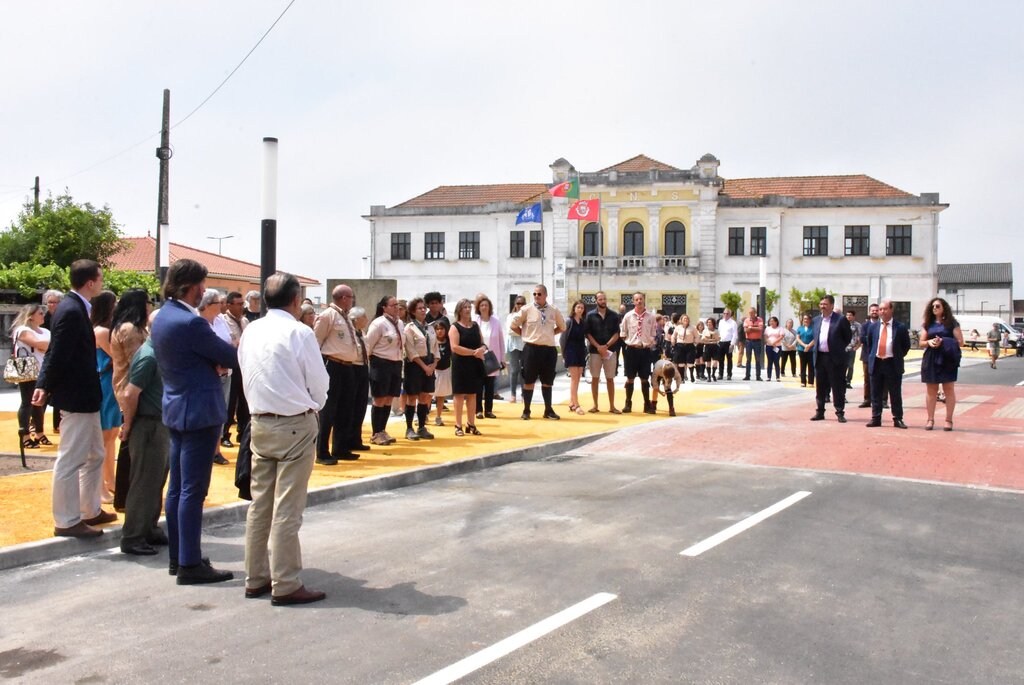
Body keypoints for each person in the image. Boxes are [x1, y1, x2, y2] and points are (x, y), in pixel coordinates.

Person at [239, 273, 329, 606]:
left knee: (260, 504)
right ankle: (286, 582)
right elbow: (319, 382)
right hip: (293, 422)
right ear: (295, 300)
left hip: (260, 421)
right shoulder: (299, 332)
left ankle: (256, 577)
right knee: (287, 508)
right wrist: (313, 406)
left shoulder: (252, 329)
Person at [151, 259, 239, 584]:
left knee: (177, 489)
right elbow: (230, 356)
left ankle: (180, 557)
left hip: (177, 406)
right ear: (191, 286)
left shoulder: (163, 316)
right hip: (199, 410)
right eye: (202, 284)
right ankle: (189, 564)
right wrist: (216, 361)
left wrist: (209, 362)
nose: (205, 290)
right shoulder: (192, 323)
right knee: (193, 490)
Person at [33, 259, 116, 538]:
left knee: (95, 454)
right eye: (100, 278)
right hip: (76, 396)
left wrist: (45, 384)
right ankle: (67, 521)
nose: (102, 282)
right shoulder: (71, 310)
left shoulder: (76, 307)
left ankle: (89, 510)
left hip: (86, 395)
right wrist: (45, 385)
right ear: (90, 282)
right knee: (70, 459)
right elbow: (58, 352)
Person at [118, 336, 170, 556]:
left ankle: (148, 528)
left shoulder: (154, 353)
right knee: (144, 483)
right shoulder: (148, 356)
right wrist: (128, 424)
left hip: (158, 424)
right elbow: (130, 393)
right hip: (148, 425)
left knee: (155, 480)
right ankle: (133, 536)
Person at [109, 288, 153, 505]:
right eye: (148, 302)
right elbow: (138, 361)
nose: (150, 306)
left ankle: (126, 494)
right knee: (130, 443)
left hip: (133, 388)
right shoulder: (129, 330)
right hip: (132, 389)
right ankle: (125, 495)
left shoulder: (133, 328)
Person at [313, 285, 363, 464]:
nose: (352, 300)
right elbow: (316, 341)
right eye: (351, 297)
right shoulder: (328, 315)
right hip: (332, 365)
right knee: (329, 409)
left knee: (346, 408)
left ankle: (341, 448)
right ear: (343, 298)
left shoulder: (345, 316)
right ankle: (322, 452)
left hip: (348, 366)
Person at [510, 284, 566, 420]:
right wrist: (525, 334)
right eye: (534, 294)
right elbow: (513, 325)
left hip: (548, 350)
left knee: (547, 381)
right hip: (531, 349)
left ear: (545, 295)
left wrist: (550, 334)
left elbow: (562, 327)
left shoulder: (553, 310)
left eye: (539, 294)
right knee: (529, 380)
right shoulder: (526, 309)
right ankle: (526, 410)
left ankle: (548, 410)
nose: (536, 296)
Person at [92, 290, 122, 504]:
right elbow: (118, 356)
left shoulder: (107, 330)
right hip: (104, 383)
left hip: (111, 383)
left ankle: (110, 480)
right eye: (114, 303)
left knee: (111, 435)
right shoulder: (101, 332)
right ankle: (100, 486)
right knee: (104, 438)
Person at [864, 299, 911, 429]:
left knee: (895, 393)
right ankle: (876, 418)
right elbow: (870, 344)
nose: (882, 312)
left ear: (891, 310)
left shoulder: (900, 327)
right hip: (877, 362)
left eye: (885, 309)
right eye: (880, 309)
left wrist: (897, 356)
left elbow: (906, 346)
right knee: (875, 393)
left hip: (892, 363)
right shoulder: (873, 327)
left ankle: (897, 418)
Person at [198, 291, 232, 466]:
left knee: (221, 413)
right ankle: (206, 450)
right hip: (209, 375)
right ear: (208, 305)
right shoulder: (198, 322)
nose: (222, 305)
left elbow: (229, 342)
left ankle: (216, 451)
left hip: (225, 374)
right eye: (219, 302)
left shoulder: (220, 321)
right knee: (207, 414)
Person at [365, 295, 403, 445]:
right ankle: (375, 433)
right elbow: (368, 346)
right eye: (393, 305)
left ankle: (382, 430)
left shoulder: (400, 323)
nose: (397, 308)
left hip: (396, 363)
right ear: (384, 307)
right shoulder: (378, 323)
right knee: (380, 398)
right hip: (381, 363)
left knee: (389, 398)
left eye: (398, 305)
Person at [920, 297, 963, 431]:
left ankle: (948, 420)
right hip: (931, 357)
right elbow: (921, 342)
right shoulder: (928, 324)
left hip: (947, 358)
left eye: (937, 306)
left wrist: (943, 341)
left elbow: (960, 341)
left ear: (944, 308)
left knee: (948, 389)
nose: (934, 308)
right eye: (933, 306)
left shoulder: (952, 323)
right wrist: (929, 342)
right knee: (931, 389)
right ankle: (930, 419)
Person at [10, 304, 50, 449]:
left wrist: (45, 345)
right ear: (31, 316)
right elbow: (38, 344)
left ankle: (39, 432)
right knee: (27, 402)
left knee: (39, 403)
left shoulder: (45, 331)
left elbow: (45, 346)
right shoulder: (22, 330)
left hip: (42, 370)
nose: (43, 315)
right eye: (40, 313)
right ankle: (25, 435)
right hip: (28, 369)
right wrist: (46, 345)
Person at [810, 295, 853, 423]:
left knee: (837, 386)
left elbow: (847, 337)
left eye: (825, 304)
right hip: (820, 357)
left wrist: (838, 349)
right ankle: (820, 411)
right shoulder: (816, 320)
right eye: (821, 304)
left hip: (835, 358)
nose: (822, 306)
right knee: (820, 387)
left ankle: (839, 412)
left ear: (832, 305)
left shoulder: (840, 319)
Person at [403, 297, 438, 440]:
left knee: (424, 396)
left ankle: (422, 426)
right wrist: (424, 366)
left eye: (424, 308)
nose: (423, 310)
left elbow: (436, 348)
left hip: (429, 363)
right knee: (412, 397)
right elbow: (410, 350)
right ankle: (409, 428)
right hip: (415, 365)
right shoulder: (409, 328)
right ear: (413, 311)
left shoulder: (430, 327)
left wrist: (434, 364)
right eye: (419, 308)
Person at [449, 298, 485, 436]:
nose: (468, 309)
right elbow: (455, 347)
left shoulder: (475, 326)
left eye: (469, 307)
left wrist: (482, 349)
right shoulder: (455, 327)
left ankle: (471, 423)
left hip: (474, 364)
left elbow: (482, 343)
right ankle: (458, 425)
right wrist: (473, 352)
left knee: (472, 394)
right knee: (459, 394)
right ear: (459, 310)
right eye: (465, 307)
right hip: (460, 364)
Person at [620, 292, 658, 413]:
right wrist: (630, 342)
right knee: (630, 378)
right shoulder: (628, 316)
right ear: (633, 301)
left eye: (641, 299)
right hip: (631, 350)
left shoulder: (651, 317)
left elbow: (653, 333)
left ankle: (647, 404)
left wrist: (649, 342)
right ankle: (628, 404)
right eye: (636, 299)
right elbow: (623, 333)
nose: (639, 301)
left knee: (644, 378)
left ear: (644, 300)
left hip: (645, 351)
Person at [220, 291, 249, 448]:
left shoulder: (244, 321)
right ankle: (225, 434)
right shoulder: (223, 321)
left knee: (244, 401)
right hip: (232, 365)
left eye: (242, 304)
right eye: (238, 304)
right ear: (229, 305)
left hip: (244, 365)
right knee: (230, 402)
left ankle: (243, 433)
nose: (241, 307)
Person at [584, 291, 620, 413]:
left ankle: (612, 406)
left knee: (610, 378)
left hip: (610, 351)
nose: (603, 301)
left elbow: (617, 333)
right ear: (596, 301)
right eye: (600, 299)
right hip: (595, 352)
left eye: (604, 299)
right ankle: (595, 405)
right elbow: (588, 333)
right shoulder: (590, 316)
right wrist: (598, 346)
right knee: (595, 378)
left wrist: (606, 346)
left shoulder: (614, 315)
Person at [473, 295, 505, 419]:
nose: (484, 307)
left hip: (492, 357)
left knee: (490, 386)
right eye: (482, 305)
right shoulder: (475, 322)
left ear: (490, 307)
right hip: (478, 357)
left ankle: (488, 410)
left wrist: (502, 359)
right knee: (478, 385)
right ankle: (478, 410)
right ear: (478, 307)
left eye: (486, 305)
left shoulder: (496, 322)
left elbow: (501, 341)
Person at [560, 300, 588, 415]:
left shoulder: (583, 322)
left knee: (578, 378)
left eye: (582, 308)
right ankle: (576, 405)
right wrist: (563, 354)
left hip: (580, 351)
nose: (580, 309)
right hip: (570, 351)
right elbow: (562, 339)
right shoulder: (569, 321)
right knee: (574, 378)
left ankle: (572, 402)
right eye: (578, 307)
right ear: (574, 308)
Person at [349, 306, 371, 451]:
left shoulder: (362, 333)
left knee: (361, 406)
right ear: (356, 319)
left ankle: (356, 438)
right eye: (364, 317)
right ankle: (348, 439)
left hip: (363, 368)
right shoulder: (350, 333)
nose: (366, 320)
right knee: (351, 406)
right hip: (353, 368)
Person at [857, 304, 880, 408]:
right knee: (867, 379)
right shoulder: (865, 325)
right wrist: (874, 340)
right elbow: (862, 338)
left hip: (880, 355)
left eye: (876, 310)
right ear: (869, 312)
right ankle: (867, 399)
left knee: (882, 379)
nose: (874, 312)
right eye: (872, 310)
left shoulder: (882, 324)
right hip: (867, 355)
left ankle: (883, 400)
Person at [505, 296, 526, 403]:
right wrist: (523, 331)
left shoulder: (527, 316)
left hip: (525, 346)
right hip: (513, 346)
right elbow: (510, 331)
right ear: (515, 304)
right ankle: (513, 395)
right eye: (518, 303)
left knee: (524, 371)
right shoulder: (511, 316)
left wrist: (518, 330)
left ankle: (524, 395)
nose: (520, 305)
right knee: (514, 371)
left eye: (522, 303)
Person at [432, 320, 452, 426]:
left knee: (441, 396)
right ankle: (424, 415)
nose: (440, 331)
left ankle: (438, 417)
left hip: (445, 371)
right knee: (428, 395)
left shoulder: (449, 342)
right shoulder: (432, 341)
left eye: (442, 329)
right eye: (437, 329)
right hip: (433, 371)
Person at [672, 314, 697, 383]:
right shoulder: (678, 328)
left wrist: (695, 342)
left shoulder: (693, 328)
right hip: (680, 346)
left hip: (690, 346)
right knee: (681, 363)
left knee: (690, 363)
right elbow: (673, 336)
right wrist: (673, 340)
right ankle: (682, 378)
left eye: (687, 319)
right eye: (684, 319)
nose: (686, 320)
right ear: (681, 320)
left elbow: (697, 336)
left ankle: (691, 375)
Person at [742, 307, 764, 381]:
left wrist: (750, 328)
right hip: (749, 341)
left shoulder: (760, 319)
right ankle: (747, 375)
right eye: (750, 313)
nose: (751, 314)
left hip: (757, 341)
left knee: (758, 359)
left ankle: (758, 376)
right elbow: (745, 330)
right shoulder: (746, 320)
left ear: (755, 313)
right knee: (748, 359)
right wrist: (755, 328)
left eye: (752, 312)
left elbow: (760, 329)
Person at [717, 308, 737, 380]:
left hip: (729, 343)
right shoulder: (721, 322)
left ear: (730, 314)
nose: (725, 315)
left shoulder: (733, 323)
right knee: (720, 359)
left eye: (727, 313)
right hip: (721, 342)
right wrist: (718, 341)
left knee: (729, 359)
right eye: (724, 313)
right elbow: (719, 331)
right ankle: (720, 374)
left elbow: (735, 334)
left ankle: (729, 374)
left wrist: (732, 344)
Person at [844, 311, 862, 389]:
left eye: (850, 315)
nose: (848, 317)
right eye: (847, 315)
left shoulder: (857, 325)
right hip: (843, 348)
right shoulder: (843, 324)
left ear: (854, 316)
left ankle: (848, 381)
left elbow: (860, 336)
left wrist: (857, 346)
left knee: (850, 365)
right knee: (843, 365)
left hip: (852, 347)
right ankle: (843, 380)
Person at [796, 314, 816, 387]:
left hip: (811, 350)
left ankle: (811, 382)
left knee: (811, 366)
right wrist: (804, 345)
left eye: (807, 319)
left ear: (810, 320)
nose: (805, 320)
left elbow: (815, 338)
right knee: (803, 366)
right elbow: (798, 338)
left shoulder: (813, 328)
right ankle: (803, 381)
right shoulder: (800, 328)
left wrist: (809, 346)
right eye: (804, 319)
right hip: (801, 349)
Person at [700, 317, 721, 384]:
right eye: (708, 322)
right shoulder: (705, 331)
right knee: (708, 362)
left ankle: (713, 374)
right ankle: (709, 376)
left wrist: (708, 339)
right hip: (707, 347)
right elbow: (703, 339)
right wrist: (712, 340)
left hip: (715, 347)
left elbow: (718, 339)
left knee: (715, 362)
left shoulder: (716, 331)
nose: (709, 324)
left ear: (713, 323)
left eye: (710, 322)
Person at [763, 316, 783, 381]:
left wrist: (774, 342)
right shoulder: (768, 328)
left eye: (772, 321)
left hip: (777, 347)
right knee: (769, 361)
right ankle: (769, 377)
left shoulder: (780, 328)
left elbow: (781, 336)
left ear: (776, 322)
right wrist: (770, 343)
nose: (771, 322)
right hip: (769, 346)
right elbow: (765, 337)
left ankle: (777, 377)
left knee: (776, 361)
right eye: (770, 321)